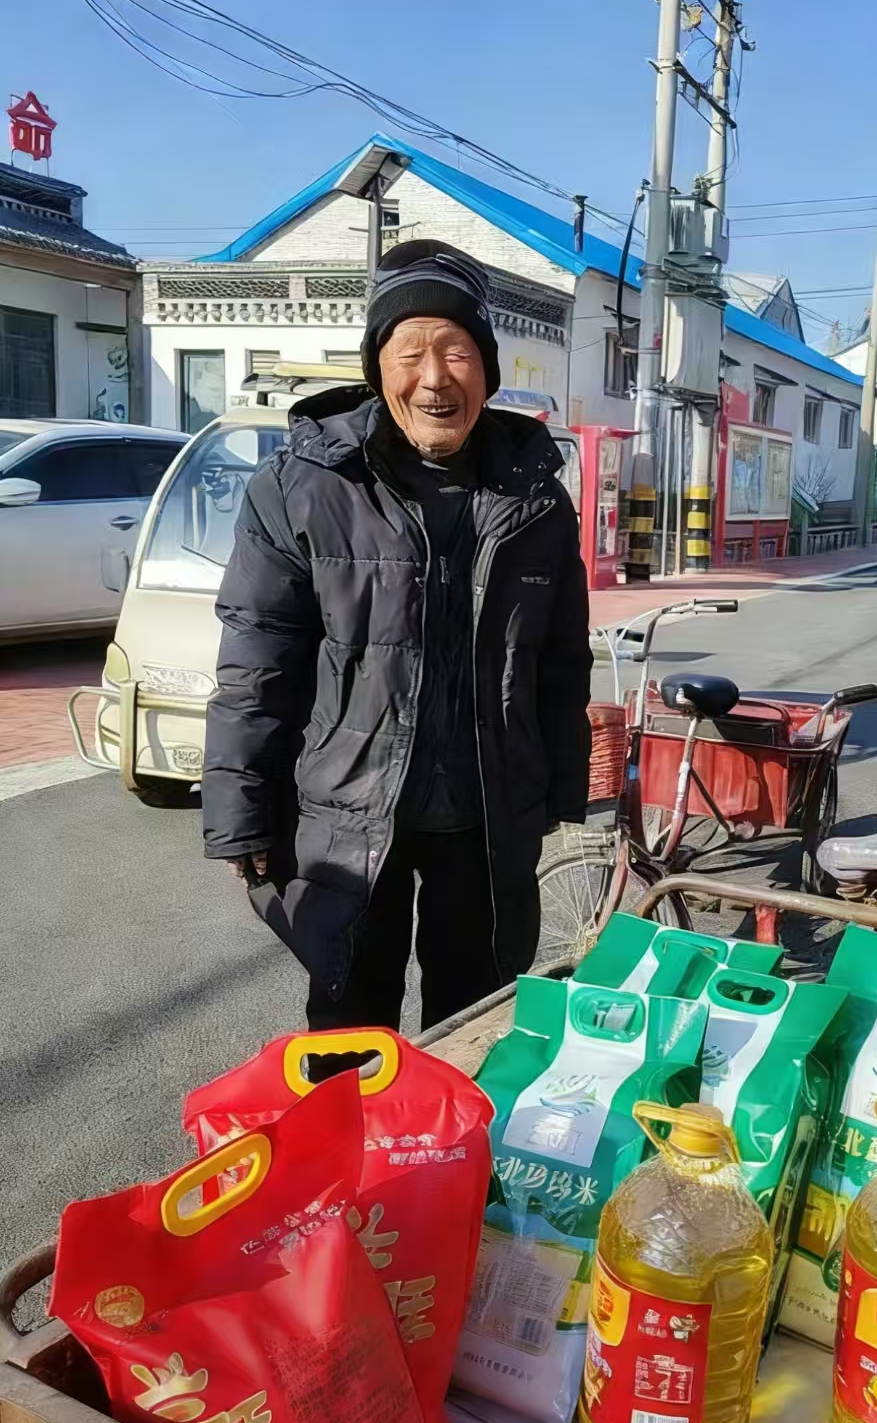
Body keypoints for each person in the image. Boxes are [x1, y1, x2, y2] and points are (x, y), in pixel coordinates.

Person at [202, 238, 592, 1032]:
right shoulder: (303, 486)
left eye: (457, 351)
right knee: (349, 1036)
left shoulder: (536, 498)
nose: (435, 376)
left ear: (487, 367)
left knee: (475, 1030)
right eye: (410, 351)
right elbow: (257, 659)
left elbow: (559, 660)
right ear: (377, 368)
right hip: (345, 815)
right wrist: (240, 812)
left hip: (485, 819)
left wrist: (557, 791)